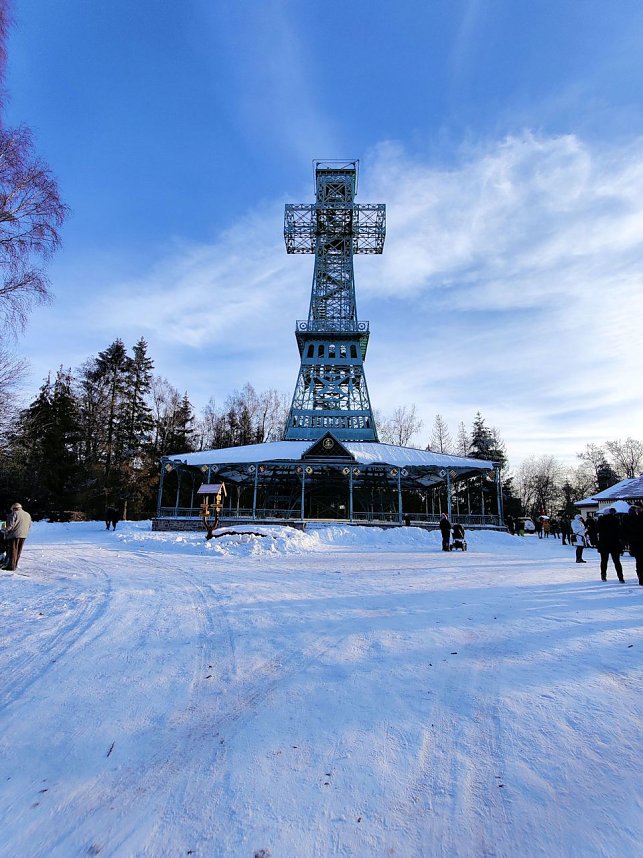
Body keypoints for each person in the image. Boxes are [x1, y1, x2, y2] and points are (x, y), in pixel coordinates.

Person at [596, 508, 624, 582]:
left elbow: (597, 530)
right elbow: (620, 532)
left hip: (604, 543)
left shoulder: (601, 521)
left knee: (604, 561)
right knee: (617, 561)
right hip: (614, 543)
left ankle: (603, 575)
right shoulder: (616, 520)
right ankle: (620, 577)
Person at [2, 503, 33, 571]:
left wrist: (3, 530)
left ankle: (11, 567)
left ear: (14, 508)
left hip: (14, 535)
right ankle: (14, 565)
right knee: (18, 551)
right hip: (23, 535)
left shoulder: (14, 514)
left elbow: (10, 525)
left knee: (13, 551)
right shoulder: (27, 514)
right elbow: (29, 525)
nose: (12, 511)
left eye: (12, 509)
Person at [623, 505, 643, 586]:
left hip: (634, 543)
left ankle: (640, 576)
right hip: (638, 542)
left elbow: (625, 532)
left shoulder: (628, 520)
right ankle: (641, 576)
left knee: (639, 561)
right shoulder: (639, 519)